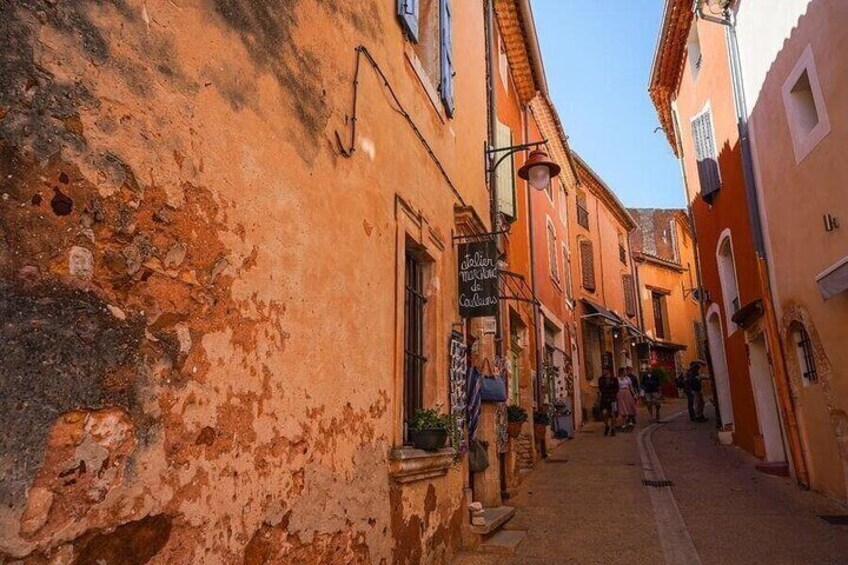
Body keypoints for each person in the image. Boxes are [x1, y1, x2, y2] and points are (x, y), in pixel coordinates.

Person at [597, 369, 619, 436]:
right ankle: (607, 426)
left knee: (613, 414)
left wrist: (613, 394)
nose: (604, 372)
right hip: (604, 398)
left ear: (608, 371)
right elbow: (600, 388)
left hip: (612, 398)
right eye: (603, 371)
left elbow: (617, 388)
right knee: (605, 413)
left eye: (605, 371)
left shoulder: (614, 379)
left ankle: (613, 428)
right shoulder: (601, 379)